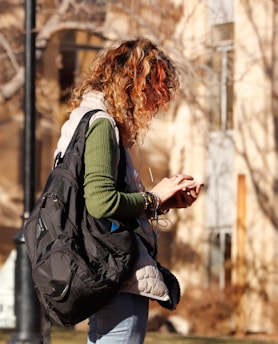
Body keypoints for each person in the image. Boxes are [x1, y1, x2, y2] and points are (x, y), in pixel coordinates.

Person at [54, 37, 203, 344]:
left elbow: (94, 200)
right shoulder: (100, 125)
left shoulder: (82, 120)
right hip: (116, 266)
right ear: (133, 83)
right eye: (154, 88)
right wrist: (154, 197)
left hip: (99, 263)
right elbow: (100, 202)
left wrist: (161, 203)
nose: (156, 101)